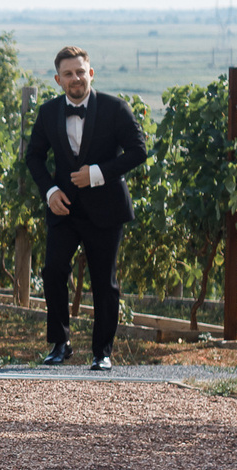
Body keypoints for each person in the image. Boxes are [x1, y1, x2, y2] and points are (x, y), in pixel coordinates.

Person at [22, 45, 146, 372]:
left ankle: (102, 352)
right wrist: (49, 190)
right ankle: (59, 344)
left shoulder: (116, 108)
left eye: (80, 71)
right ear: (58, 80)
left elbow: (138, 152)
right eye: (68, 74)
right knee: (52, 272)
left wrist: (98, 173)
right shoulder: (48, 112)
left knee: (104, 282)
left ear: (90, 73)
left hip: (106, 209)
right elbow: (33, 156)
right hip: (64, 209)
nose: (75, 78)